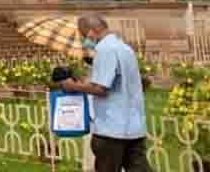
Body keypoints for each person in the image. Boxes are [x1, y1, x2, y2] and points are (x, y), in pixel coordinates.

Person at [61, 15, 150, 172]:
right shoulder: (125, 48)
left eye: (83, 36)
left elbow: (101, 89)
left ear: (90, 32)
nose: (85, 40)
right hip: (134, 128)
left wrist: (73, 86)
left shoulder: (104, 49)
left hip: (111, 128)